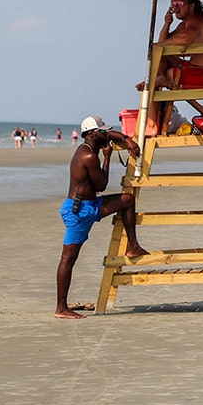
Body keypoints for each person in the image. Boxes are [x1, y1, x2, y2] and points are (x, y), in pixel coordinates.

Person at [55, 116, 147, 319]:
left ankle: (133, 246)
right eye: (100, 132)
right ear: (90, 134)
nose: (104, 135)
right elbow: (101, 185)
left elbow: (109, 135)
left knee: (127, 200)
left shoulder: (91, 144)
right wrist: (108, 157)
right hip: (79, 212)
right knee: (68, 258)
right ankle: (61, 308)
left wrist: (126, 139)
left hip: (90, 206)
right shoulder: (88, 156)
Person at [135, 0, 203, 91]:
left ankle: (155, 82)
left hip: (202, 74)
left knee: (165, 73)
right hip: (192, 67)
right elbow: (162, 43)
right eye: (173, 4)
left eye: (180, 3)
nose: (175, 7)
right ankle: (157, 79)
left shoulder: (198, 20)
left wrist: (158, 45)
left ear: (191, 6)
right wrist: (167, 24)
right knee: (162, 56)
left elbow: (184, 39)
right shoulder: (183, 25)